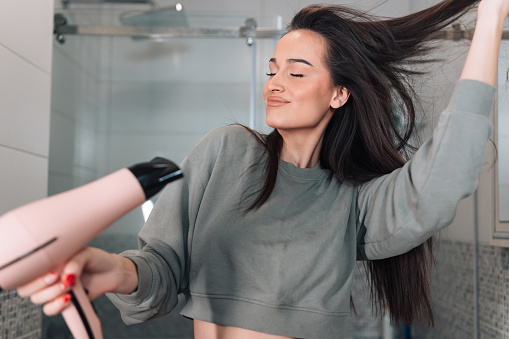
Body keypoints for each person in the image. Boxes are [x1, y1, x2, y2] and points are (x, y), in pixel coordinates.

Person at [17, 0, 507, 337]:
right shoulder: (225, 151)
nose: (276, 82)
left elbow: (446, 176)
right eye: (273, 69)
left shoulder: (353, 201)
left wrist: (491, 15)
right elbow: (162, 270)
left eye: (297, 73)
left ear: (339, 93)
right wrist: (115, 270)